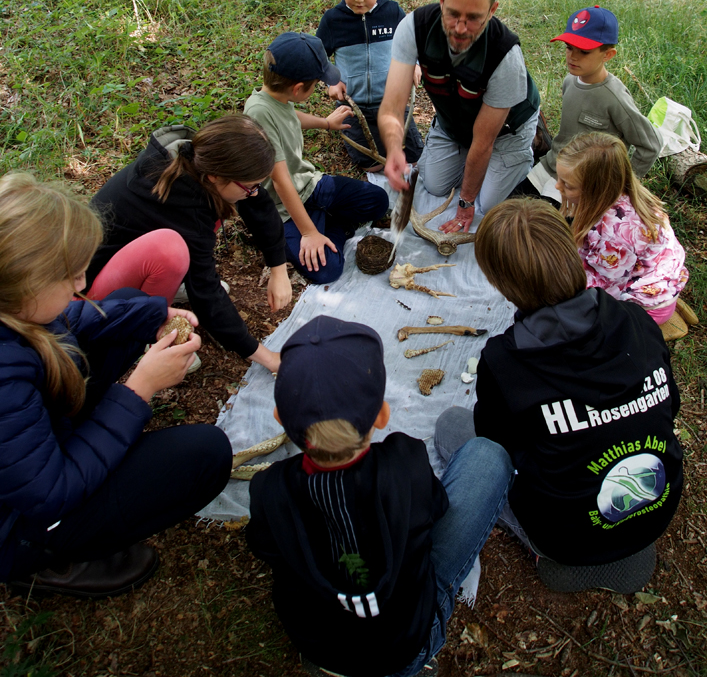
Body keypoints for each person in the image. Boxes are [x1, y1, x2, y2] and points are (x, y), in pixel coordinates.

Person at [0, 172, 232, 598]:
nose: (81, 286)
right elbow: (52, 491)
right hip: (22, 520)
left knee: (121, 317)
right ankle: (44, 561)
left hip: (37, 450)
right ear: (26, 283)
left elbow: (76, 319)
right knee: (206, 454)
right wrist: (137, 391)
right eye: (69, 277)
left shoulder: (19, 310)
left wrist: (155, 316)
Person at [436, 198, 683, 594]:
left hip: (566, 532)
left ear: (502, 284)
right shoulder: (637, 319)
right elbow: (670, 407)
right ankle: (612, 540)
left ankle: (546, 549)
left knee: (452, 429)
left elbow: (496, 447)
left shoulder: (505, 360)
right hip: (658, 503)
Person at [246, 315, 514, 677]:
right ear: (383, 415)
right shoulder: (406, 465)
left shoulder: (268, 490)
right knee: (487, 456)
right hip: (405, 644)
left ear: (280, 417)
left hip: (320, 645)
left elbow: (265, 547)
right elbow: (437, 509)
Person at [87, 114, 286, 373]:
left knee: (177, 249)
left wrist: (278, 267)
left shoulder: (196, 158)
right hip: (92, 295)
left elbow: (258, 202)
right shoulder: (185, 208)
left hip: (124, 259)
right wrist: (264, 356)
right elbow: (206, 291)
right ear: (216, 176)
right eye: (249, 186)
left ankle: (161, 282)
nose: (254, 192)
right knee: (171, 253)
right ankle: (148, 329)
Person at [378, 0, 539, 233]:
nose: (460, 28)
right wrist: (394, 149)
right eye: (452, 14)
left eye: (474, 18)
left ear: (492, 10)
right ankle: (462, 154)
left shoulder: (505, 55)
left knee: (488, 204)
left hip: (505, 131)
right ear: (441, 0)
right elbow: (392, 108)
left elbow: (484, 141)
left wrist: (465, 203)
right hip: (454, 121)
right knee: (434, 185)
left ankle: (524, 152)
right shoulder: (414, 28)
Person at [244, 33, 390, 284]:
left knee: (378, 200)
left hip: (308, 185)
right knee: (327, 270)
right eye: (316, 84)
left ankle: (324, 219)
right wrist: (309, 232)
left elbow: (290, 116)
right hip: (282, 208)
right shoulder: (258, 112)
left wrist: (326, 123)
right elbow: (280, 182)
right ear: (298, 88)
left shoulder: (275, 97)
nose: (320, 87)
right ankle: (328, 226)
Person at [525, 6, 661, 199]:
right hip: (551, 165)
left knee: (539, 226)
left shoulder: (614, 97)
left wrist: (622, 187)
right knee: (508, 209)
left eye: (584, 51)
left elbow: (652, 144)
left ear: (608, 55)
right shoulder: (570, 81)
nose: (573, 56)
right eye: (569, 48)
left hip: (582, 182)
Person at [555, 132, 688, 325]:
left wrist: (558, 282)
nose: (557, 186)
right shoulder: (618, 194)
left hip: (644, 307)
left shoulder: (615, 235)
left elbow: (605, 292)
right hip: (638, 275)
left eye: (567, 185)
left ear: (597, 189)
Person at [316, 0, 423, 171]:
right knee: (370, 163)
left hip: (392, 102)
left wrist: (414, 64)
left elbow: (412, 43)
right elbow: (319, 59)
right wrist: (332, 81)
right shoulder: (332, 20)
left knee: (414, 157)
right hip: (354, 106)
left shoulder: (392, 12)